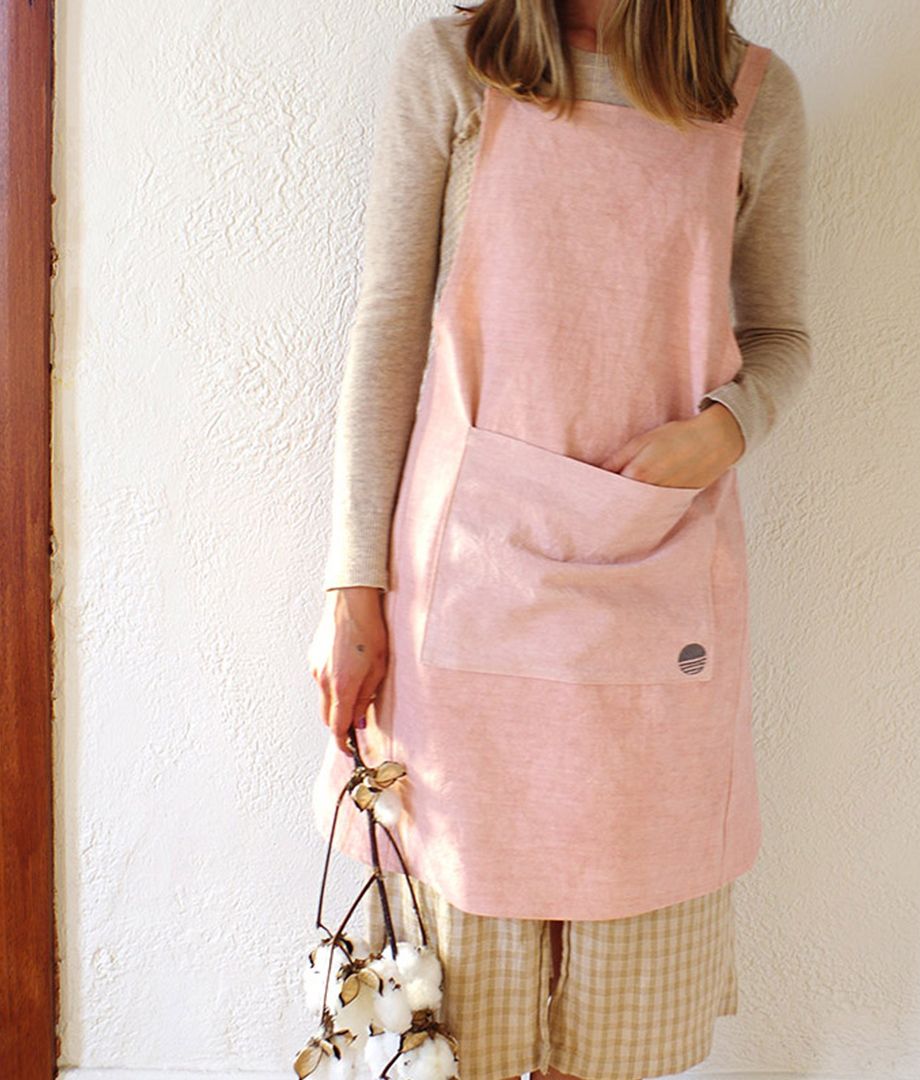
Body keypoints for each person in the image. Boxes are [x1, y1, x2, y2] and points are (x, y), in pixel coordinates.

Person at [308, 1, 812, 1078]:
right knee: (460, 1038)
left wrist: (724, 430)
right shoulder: (454, 68)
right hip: (467, 595)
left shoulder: (752, 99)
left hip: (658, 591)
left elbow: (781, 338)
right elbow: (389, 319)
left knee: (615, 1044)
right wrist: (352, 586)